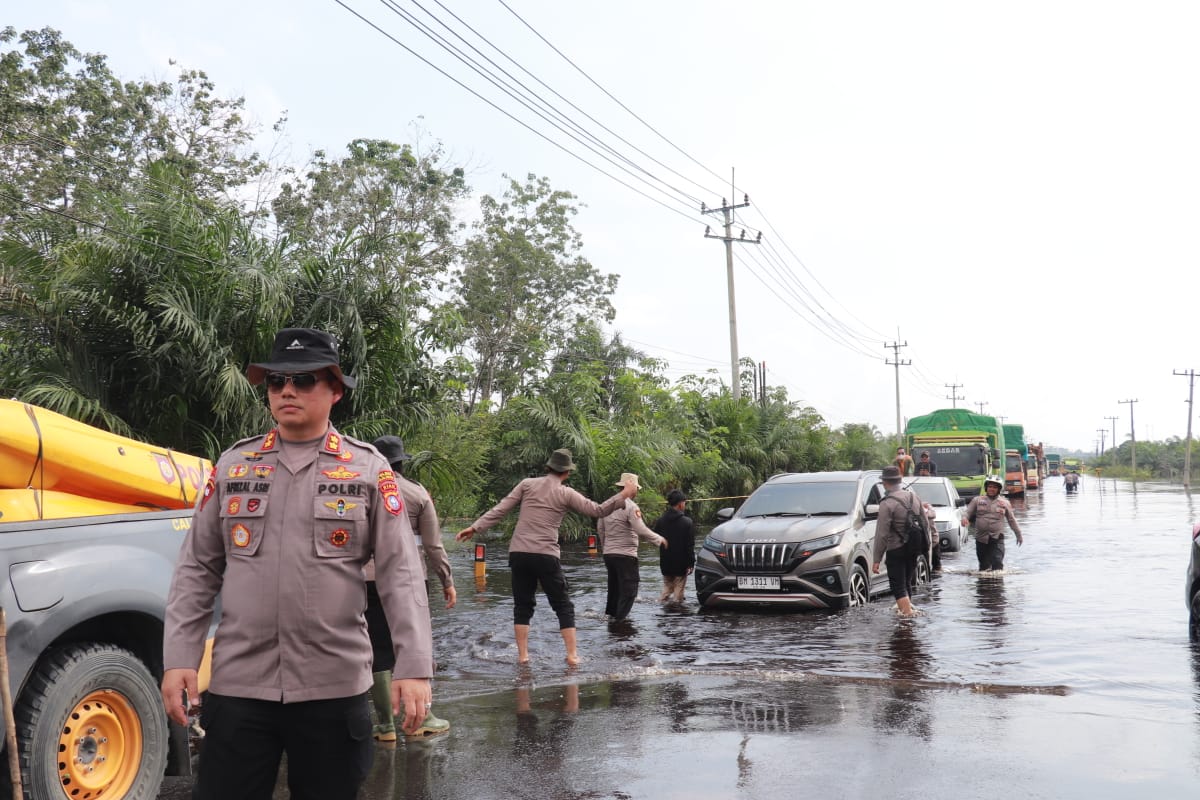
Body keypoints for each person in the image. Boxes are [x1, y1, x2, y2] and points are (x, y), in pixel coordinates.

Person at [161, 328, 433, 800]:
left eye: (304, 380)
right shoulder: (234, 465)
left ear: (335, 391)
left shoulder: (369, 470)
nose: (287, 390)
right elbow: (197, 568)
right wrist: (179, 657)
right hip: (240, 685)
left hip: (333, 686)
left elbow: (401, 574)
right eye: (276, 381)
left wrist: (413, 667)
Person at [455, 449, 635, 665]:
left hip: (519, 552)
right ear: (567, 472)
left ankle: (523, 657)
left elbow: (500, 509)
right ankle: (571, 656)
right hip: (545, 554)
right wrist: (623, 494)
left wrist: (475, 528)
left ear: (548, 467)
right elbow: (597, 510)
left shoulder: (527, 484)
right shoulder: (566, 493)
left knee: (522, 606)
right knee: (563, 605)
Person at [369, 435, 456, 741]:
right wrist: (447, 580)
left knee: (377, 648)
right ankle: (422, 719)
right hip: (410, 579)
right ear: (402, 462)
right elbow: (433, 545)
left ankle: (385, 726)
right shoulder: (417, 493)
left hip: (367, 580)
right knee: (413, 644)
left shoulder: (362, 488)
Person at [596, 473, 667, 621]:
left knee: (614, 589)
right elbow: (640, 529)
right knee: (629, 591)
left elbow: (600, 530)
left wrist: (605, 548)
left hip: (609, 555)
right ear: (632, 488)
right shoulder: (631, 506)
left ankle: (611, 618)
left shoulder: (607, 504)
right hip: (626, 555)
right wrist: (659, 539)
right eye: (636, 488)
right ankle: (620, 623)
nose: (637, 491)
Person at [871, 465, 930, 617]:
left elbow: (882, 534)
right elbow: (925, 523)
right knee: (906, 582)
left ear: (885, 482)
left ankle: (907, 616)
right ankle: (908, 620)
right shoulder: (914, 497)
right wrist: (927, 545)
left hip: (895, 549)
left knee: (898, 586)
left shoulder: (886, 503)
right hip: (914, 547)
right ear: (900, 481)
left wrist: (876, 559)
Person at [961, 474, 1024, 572]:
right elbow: (967, 512)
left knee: (997, 563)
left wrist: (1018, 535)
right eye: (990, 486)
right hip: (981, 538)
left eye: (994, 487)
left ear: (999, 489)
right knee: (984, 567)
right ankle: (984, 586)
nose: (992, 489)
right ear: (986, 488)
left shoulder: (1004, 503)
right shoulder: (977, 500)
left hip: (997, 538)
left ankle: (997, 586)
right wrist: (964, 518)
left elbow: (1012, 520)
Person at [653, 489, 696, 603]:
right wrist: (691, 563)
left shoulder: (660, 521)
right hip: (680, 566)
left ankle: (661, 606)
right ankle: (676, 616)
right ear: (681, 503)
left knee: (667, 589)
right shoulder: (687, 522)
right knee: (678, 594)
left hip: (665, 564)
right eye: (684, 502)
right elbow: (689, 546)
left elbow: (656, 539)